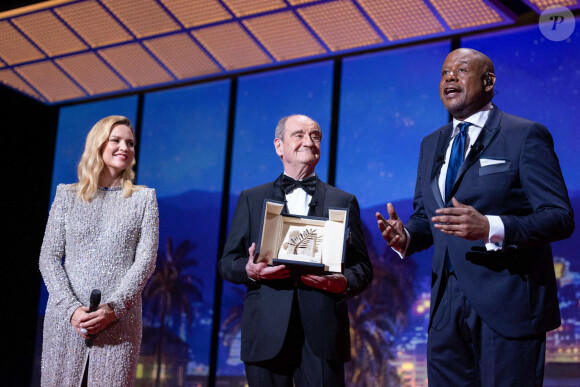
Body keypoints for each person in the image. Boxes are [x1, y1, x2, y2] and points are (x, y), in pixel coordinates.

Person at [376, 48, 575, 386]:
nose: (449, 77)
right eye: (444, 73)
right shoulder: (430, 144)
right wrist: (407, 236)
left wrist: (490, 227)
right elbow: (429, 217)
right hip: (444, 308)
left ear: (489, 81)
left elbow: (559, 217)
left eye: (461, 70)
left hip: (507, 303)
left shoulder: (524, 135)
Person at [219, 114, 372, 386]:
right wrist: (249, 269)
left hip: (323, 334)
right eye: (299, 135)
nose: (309, 142)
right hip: (266, 333)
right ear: (279, 146)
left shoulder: (344, 201)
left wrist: (344, 282)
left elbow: (362, 267)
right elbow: (228, 262)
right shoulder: (251, 199)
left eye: (315, 136)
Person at [39, 116, 159, 386]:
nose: (124, 147)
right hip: (65, 321)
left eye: (130, 143)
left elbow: (146, 263)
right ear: (98, 144)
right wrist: (71, 310)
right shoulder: (66, 195)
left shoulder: (144, 199)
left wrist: (113, 309)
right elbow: (48, 258)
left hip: (119, 325)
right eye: (116, 140)